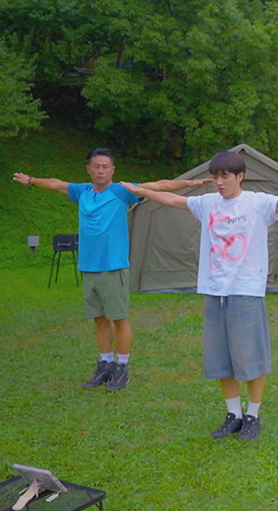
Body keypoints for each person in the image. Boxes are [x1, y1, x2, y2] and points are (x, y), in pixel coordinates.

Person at [122, 151, 278, 441]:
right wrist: (141, 191)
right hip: (215, 291)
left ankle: (253, 415)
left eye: (225, 176)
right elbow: (173, 201)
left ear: (240, 176)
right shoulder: (207, 203)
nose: (219, 182)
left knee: (251, 357)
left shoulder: (258, 202)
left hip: (246, 291)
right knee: (221, 358)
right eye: (215, 177)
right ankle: (233, 415)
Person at [13, 149, 210, 391]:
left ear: (113, 170)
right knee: (99, 319)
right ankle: (104, 365)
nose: (101, 170)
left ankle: (121, 368)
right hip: (89, 266)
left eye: (105, 166)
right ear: (88, 169)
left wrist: (189, 183)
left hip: (113, 266)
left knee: (119, 318)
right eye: (96, 166)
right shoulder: (82, 191)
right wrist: (31, 180)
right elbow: (57, 185)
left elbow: (157, 186)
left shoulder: (120, 191)